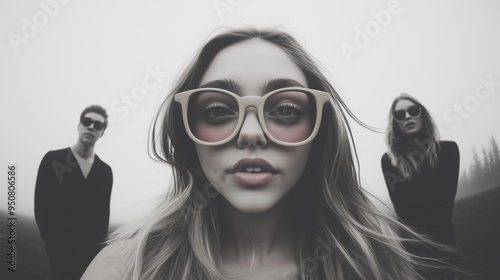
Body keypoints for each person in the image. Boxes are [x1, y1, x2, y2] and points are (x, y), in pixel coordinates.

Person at [83, 28, 444, 280]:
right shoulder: (121, 271)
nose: (251, 134)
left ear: (319, 132)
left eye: (286, 110)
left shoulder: (376, 265)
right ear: (186, 134)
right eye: (216, 111)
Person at [381, 94, 460, 279]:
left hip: (444, 246)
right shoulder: (389, 162)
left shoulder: (448, 151)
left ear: (422, 115)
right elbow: (405, 214)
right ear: (395, 123)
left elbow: (443, 207)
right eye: (400, 115)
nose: (408, 116)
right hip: (414, 255)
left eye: (413, 111)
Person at [34, 105, 113, 280]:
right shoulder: (53, 160)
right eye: (87, 121)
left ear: (101, 133)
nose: (91, 127)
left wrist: (96, 253)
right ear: (79, 126)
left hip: (89, 257)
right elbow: (41, 207)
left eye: (98, 125)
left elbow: (102, 217)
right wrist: (53, 245)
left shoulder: (105, 171)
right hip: (59, 253)